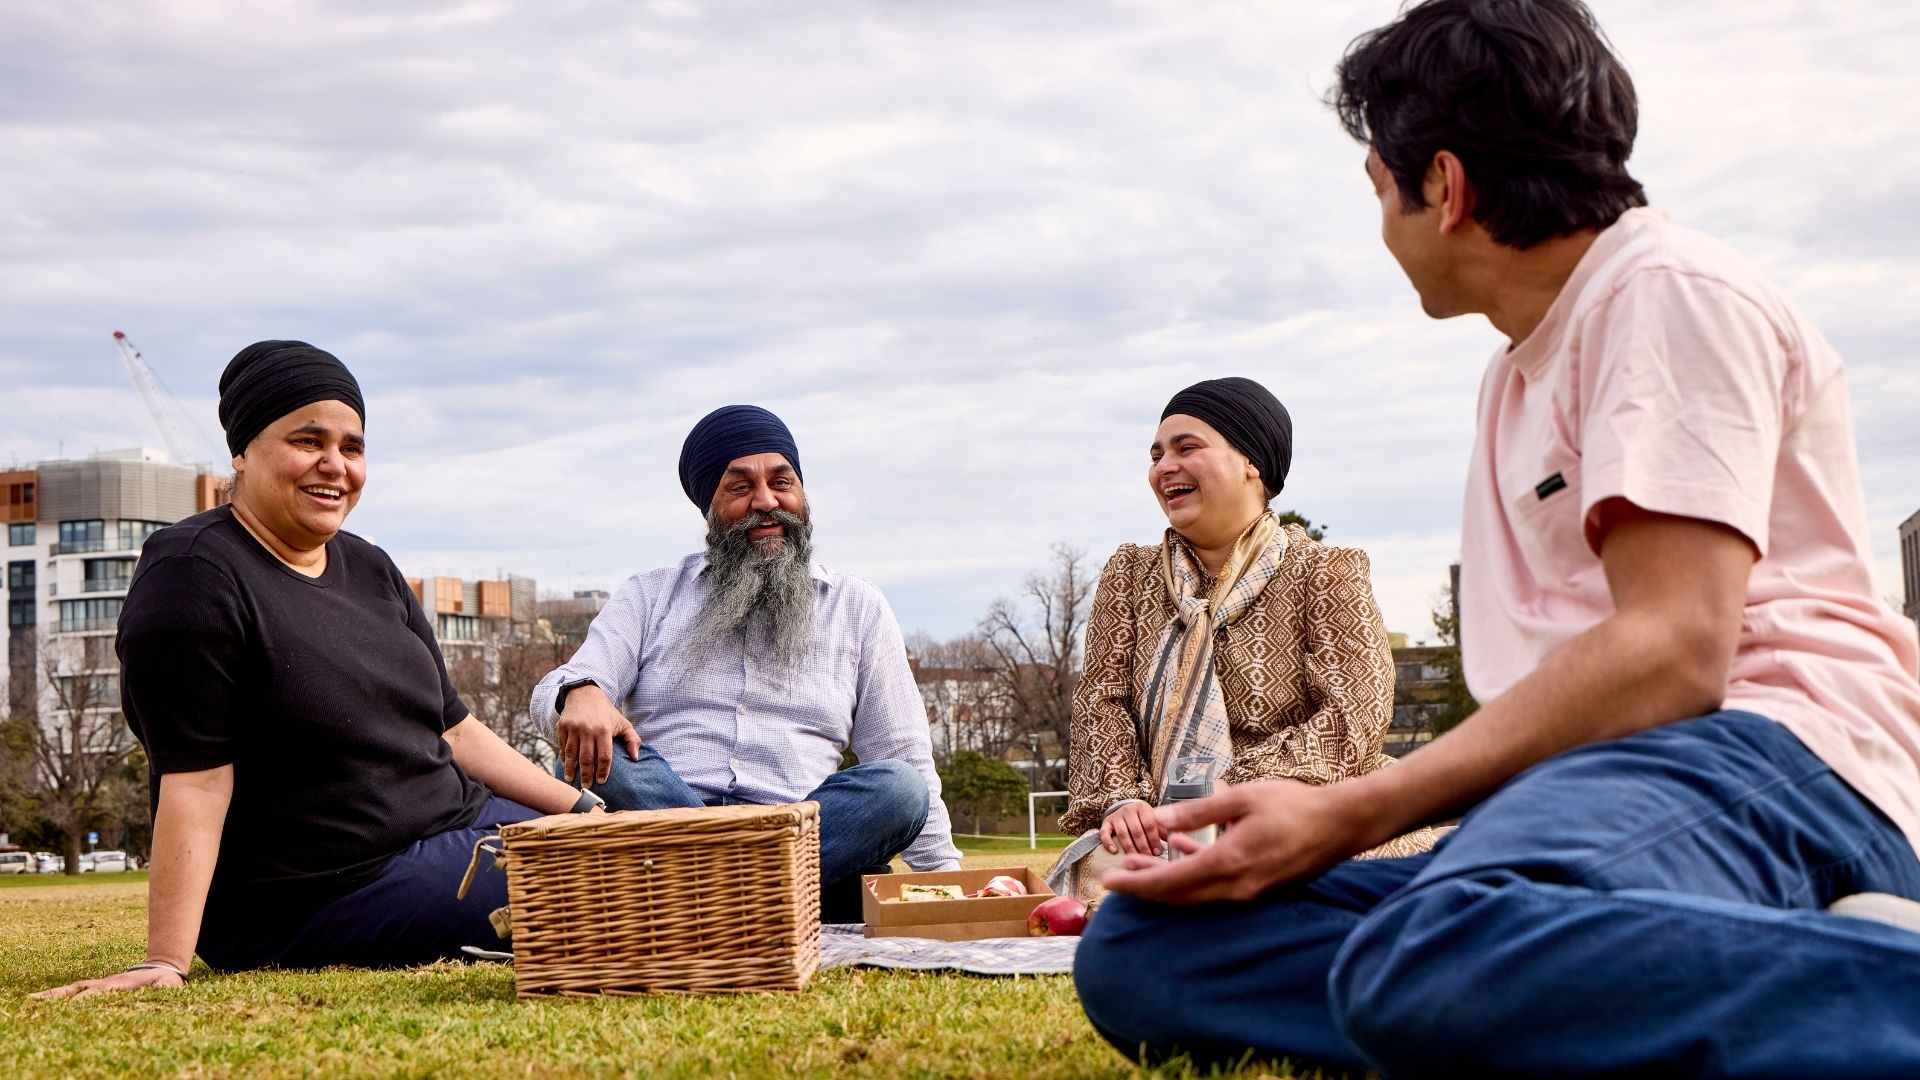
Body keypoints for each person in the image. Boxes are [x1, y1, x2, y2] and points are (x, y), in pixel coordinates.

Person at [1074, 1, 1920, 1075]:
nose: (1381, 227)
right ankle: (1769, 964)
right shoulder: (1516, 372)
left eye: (1380, 192)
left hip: (1774, 757)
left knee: (1437, 950)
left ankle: (1855, 977)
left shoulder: (1665, 293)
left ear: (1447, 187)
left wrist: (1352, 811)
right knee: (1148, 950)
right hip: (1586, 801)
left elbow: (1675, 652)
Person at [34, 341, 601, 1000]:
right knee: (602, 885)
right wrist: (164, 960)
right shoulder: (192, 575)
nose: (335, 465)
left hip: (454, 829)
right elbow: (194, 780)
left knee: (633, 850)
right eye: (308, 441)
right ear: (242, 451)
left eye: (353, 448)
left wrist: (587, 811)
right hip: (321, 891)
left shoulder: (370, 566)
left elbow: (455, 731)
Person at [529, 404, 961, 922]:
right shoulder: (649, 596)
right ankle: (769, 898)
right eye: (740, 488)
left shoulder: (858, 607)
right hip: (670, 822)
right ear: (708, 507)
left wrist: (953, 883)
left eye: (782, 482)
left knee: (898, 786)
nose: (767, 502)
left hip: (804, 830)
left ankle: (708, 898)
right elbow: (552, 694)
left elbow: (904, 754)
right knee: (589, 759)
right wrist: (581, 692)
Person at [1049, 377, 1431, 902]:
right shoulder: (1130, 575)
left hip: (1298, 807)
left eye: (1188, 448)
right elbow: (1101, 701)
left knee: (1345, 866)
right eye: (1156, 454)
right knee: (1113, 872)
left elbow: (1354, 712)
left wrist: (1233, 794)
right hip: (1161, 821)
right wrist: (1123, 802)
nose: (1164, 468)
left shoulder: (1324, 571)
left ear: (1251, 461)